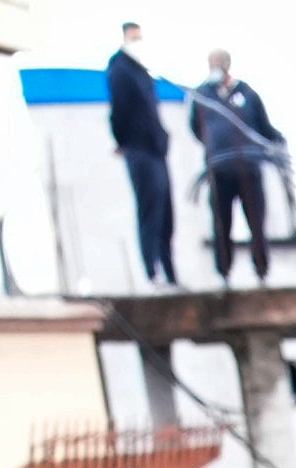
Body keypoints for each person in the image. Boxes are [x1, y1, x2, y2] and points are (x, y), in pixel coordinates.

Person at [187, 52, 278, 283]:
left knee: (256, 222)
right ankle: (224, 273)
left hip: (249, 169)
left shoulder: (247, 93)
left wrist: (278, 144)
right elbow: (196, 128)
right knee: (221, 223)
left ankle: (261, 271)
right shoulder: (202, 95)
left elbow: (263, 127)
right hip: (219, 171)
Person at [105, 24, 177, 287]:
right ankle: (152, 272)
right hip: (139, 149)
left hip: (156, 149)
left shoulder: (142, 71)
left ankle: (170, 272)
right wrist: (123, 141)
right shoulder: (120, 70)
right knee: (150, 210)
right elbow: (118, 111)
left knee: (166, 215)